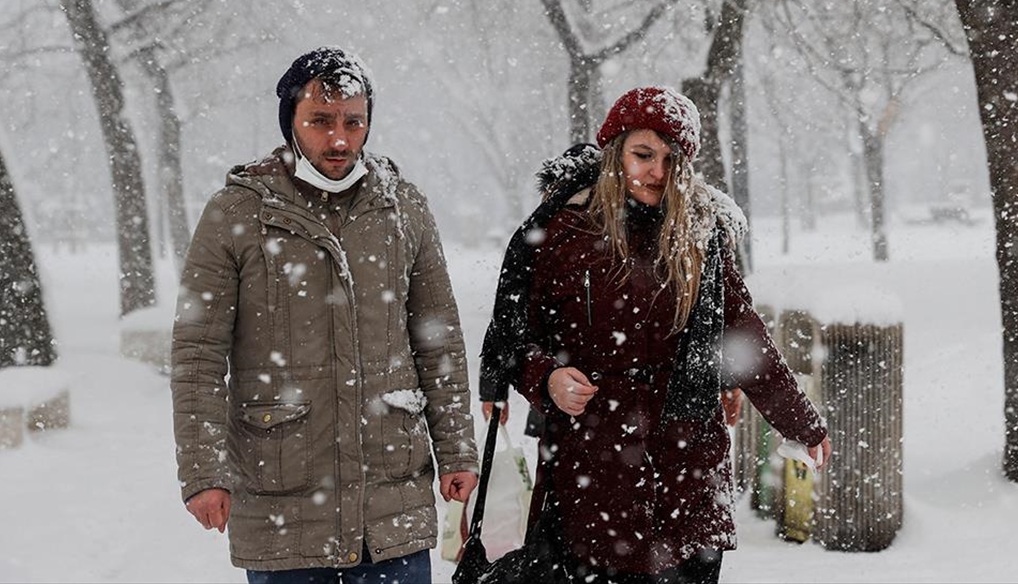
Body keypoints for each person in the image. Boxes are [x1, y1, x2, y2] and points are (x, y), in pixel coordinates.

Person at [478, 86, 831, 584]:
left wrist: (800, 422)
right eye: (643, 155)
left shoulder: (702, 235)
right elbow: (512, 335)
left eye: (671, 159)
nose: (657, 173)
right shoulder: (564, 232)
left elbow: (744, 334)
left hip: (688, 472)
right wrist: (548, 379)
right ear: (615, 150)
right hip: (593, 473)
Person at [170, 46, 479, 584]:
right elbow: (197, 354)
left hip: (392, 504)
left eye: (353, 122)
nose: (339, 139)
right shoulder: (237, 214)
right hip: (283, 503)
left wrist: (456, 449)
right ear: (290, 121)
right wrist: (203, 471)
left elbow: (438, 340)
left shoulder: (403, 209)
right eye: (320, 121)